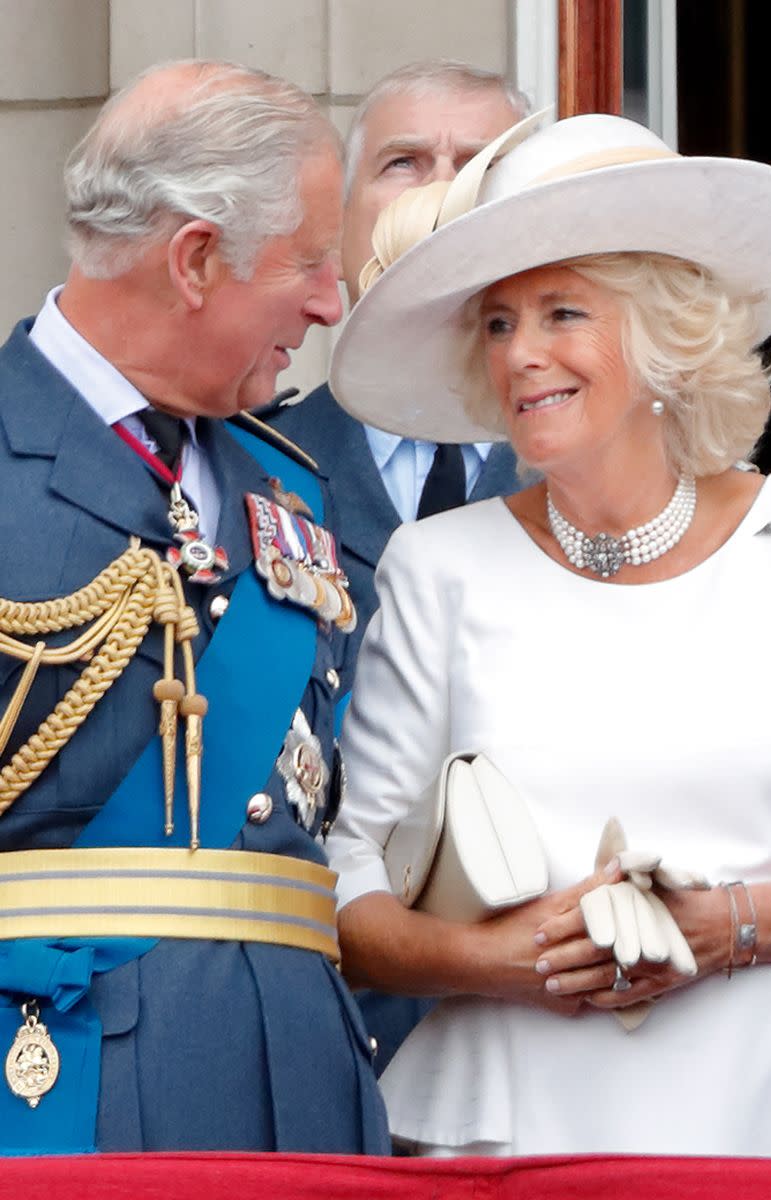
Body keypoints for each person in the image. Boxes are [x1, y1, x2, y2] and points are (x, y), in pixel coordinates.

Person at [325, 111, 771, 1158]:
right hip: (505, 1137)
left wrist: (731, 927)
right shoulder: (437, 566)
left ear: (662, 334)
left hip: (764, 1124)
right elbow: (347, 886)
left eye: (560, 313)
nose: (522, 356)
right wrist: (506, 960)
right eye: (498, 324)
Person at [0, 59, 389, 1156]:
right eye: (308, 261)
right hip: (57, 1087)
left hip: (301, 1095)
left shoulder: (290, 485)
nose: (328, 301)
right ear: (195, 258)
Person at [271, 61, 531, 692]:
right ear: (334, 237)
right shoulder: (252, 464)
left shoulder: (604, 470)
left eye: (481, 166)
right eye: (404, 162)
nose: (442, 190)